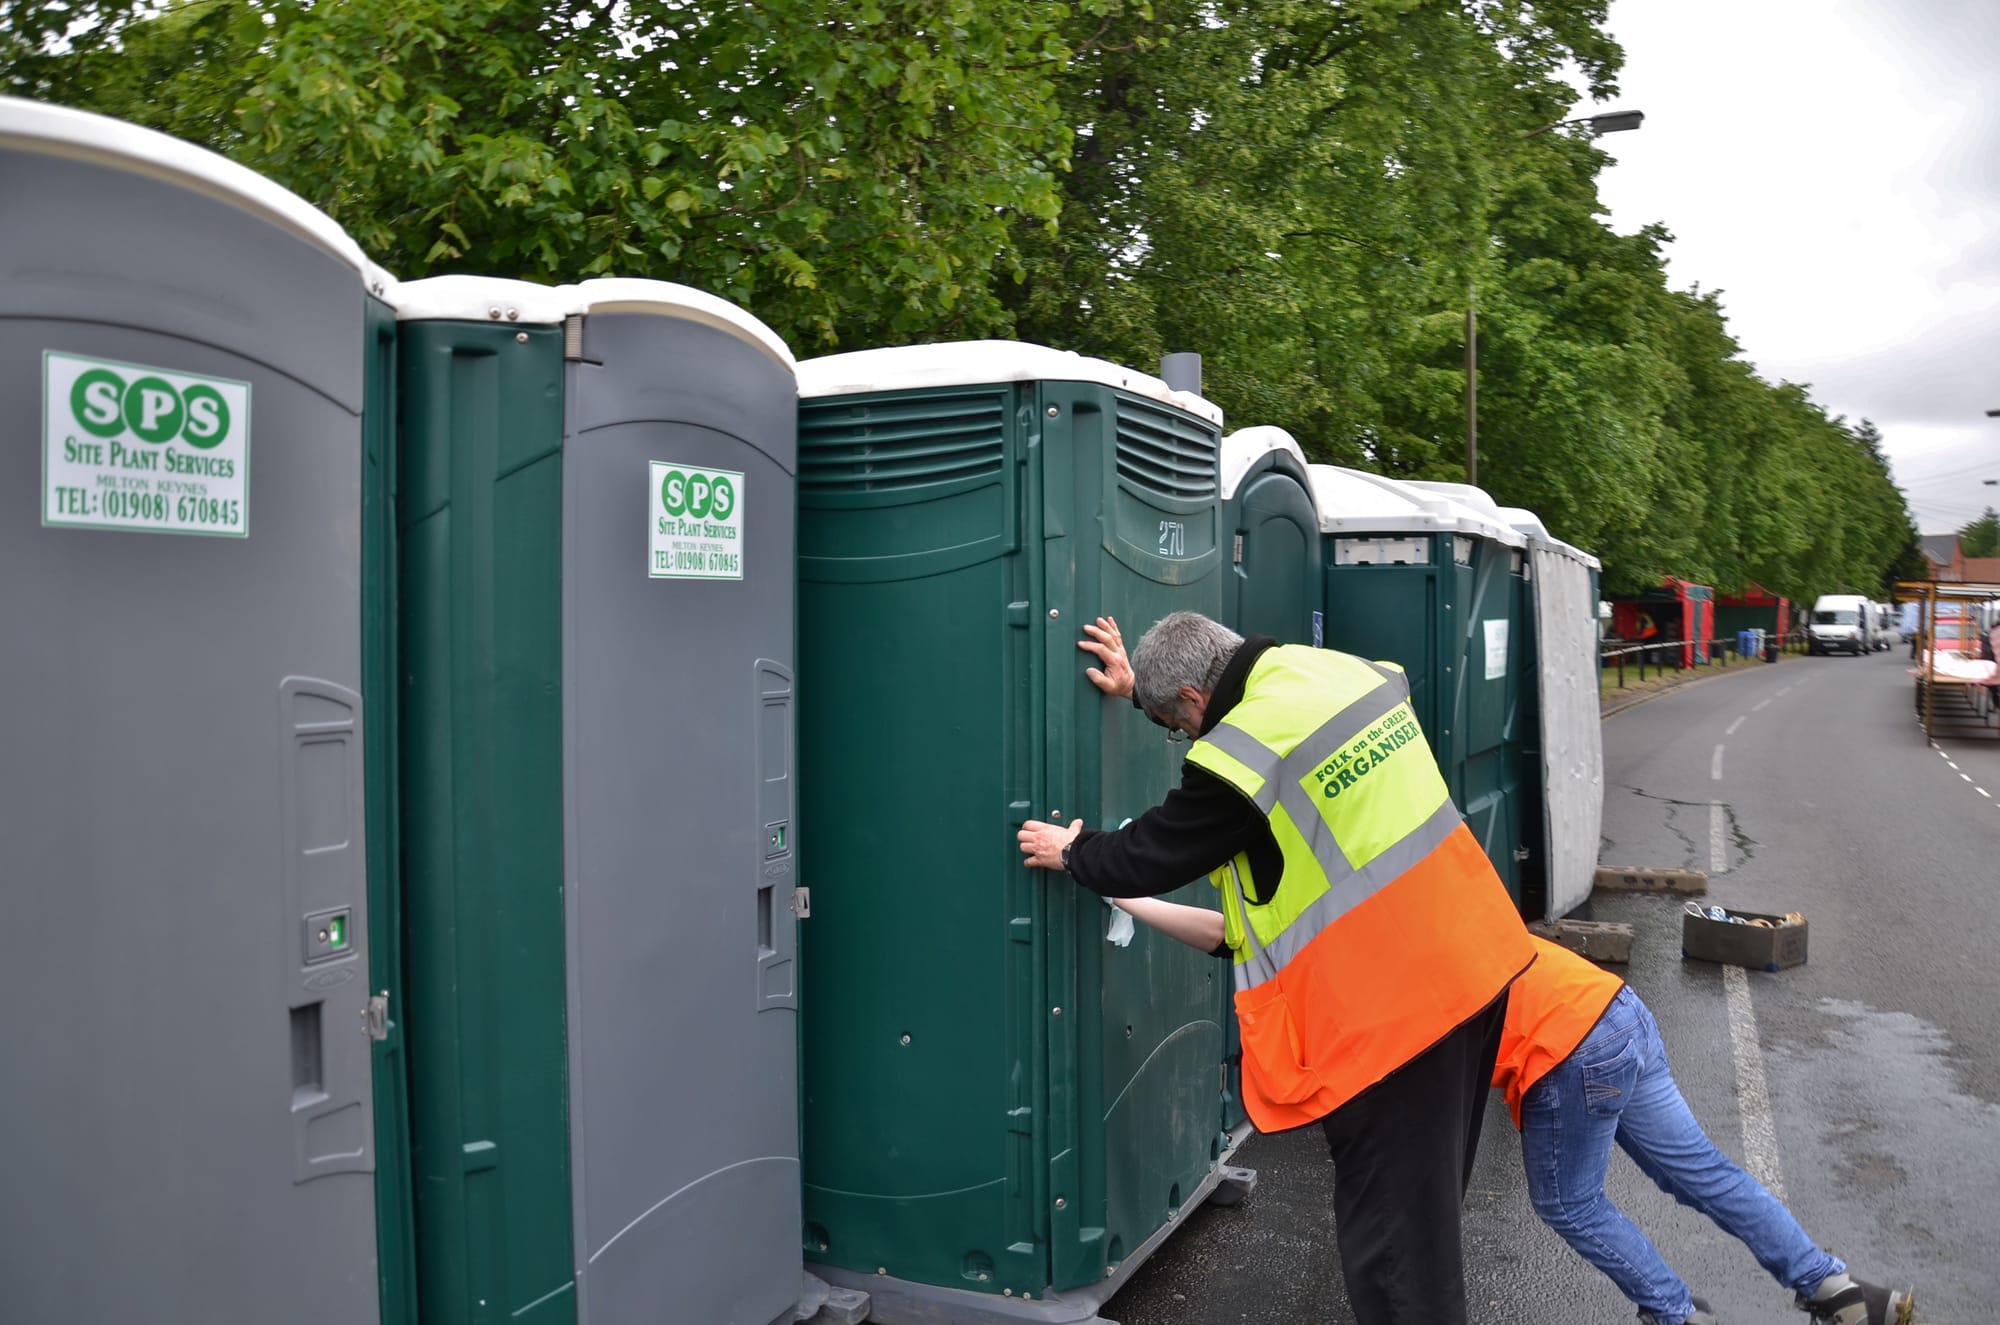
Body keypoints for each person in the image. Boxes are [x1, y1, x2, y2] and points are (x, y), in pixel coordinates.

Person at [1017, 612, 1535, 1324]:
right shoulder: (1332, 670)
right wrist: (1142, 690)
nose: (1187, 740)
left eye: (1180, 725)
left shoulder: (1244, 753)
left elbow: (1154, 851)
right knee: (1423, 1221)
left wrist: (1072, 851)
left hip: (1396, 1021)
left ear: (1197, 701)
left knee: (1397, 1253)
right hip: (1473, 968)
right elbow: (1236, 718)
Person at [1106, 894, 1918, 1325]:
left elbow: (1233, 938)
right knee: (1702, 1174)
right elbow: (1239, 938)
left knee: (1568, 1200)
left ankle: (1674, 1313)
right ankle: (1841, 1291)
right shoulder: (1394, 905)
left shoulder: (1343, 942)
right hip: (1610, 1006)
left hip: (1565, 1044)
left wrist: (1130, 896)